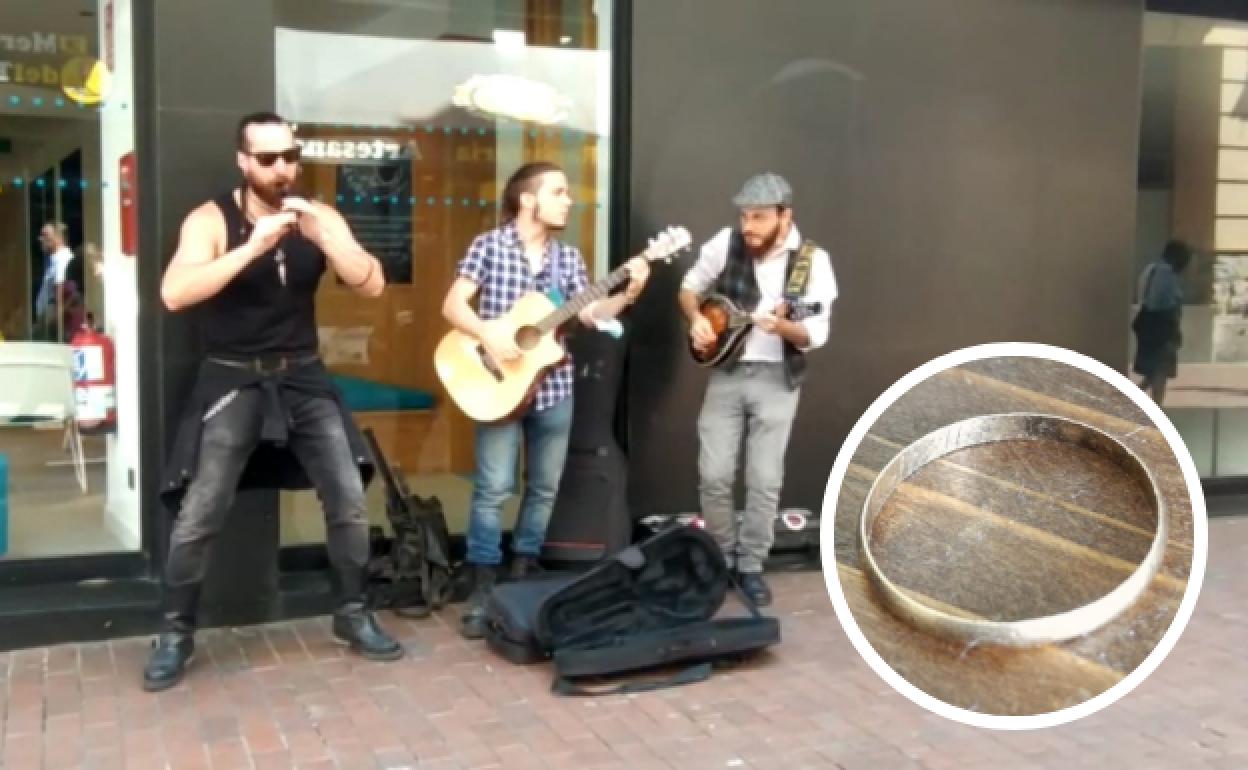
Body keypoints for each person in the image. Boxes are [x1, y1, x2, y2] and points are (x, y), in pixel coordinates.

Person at [143, 111, 402, 692]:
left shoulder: (318, 215)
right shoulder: (213, 219)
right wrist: (252, 248)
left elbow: (373, 283)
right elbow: (174, 293)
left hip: (303, 374)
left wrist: (327, 238)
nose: (282, 168)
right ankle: (175, 633)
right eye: (267, 158)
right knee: (202, 507)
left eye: (290, 156)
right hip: (233, 375)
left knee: (348, 497)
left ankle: (353, 614)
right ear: (243, 161)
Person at [441, 160, 651, 639]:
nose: (568, 200)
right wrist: (490, 335)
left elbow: (591, 313)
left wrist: (629, 292)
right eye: (558, 191)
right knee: (493, 488)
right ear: (528, 199)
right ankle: (483, 580)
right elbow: (453, 305)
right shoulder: (489, 246)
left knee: (544, 486)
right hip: (496, 382)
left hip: (554, 387)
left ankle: (524, 568)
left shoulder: (568, 259)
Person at [678, 173, 837, 607]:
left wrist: (781, 326)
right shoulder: (725, 243)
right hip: (726, 372)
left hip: (777, 380)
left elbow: (815, 332)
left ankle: (750, 566)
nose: (748, 226)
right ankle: (721, 558)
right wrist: (697, 319)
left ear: (785, 217)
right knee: (713, 474)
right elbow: (689, 288)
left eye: (760, 218)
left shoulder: (813, 262)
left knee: (764, 480)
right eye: (744, 216)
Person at [1133, 239, 1192, 404]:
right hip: (1161, 330)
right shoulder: (1166, 274)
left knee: (1153, 372)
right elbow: (1160, 303)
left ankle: (1132, 400)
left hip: (1150, 327)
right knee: (1160, 372)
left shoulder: (1151, 269)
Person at [34, 222, 75, 341]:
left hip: (53, 326)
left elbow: (61, 296)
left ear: (58, 238)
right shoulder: (54, 261)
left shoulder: (62, 261)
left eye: (45, 235)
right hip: (47, 322)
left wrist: (50, 323)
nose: (41, 239)